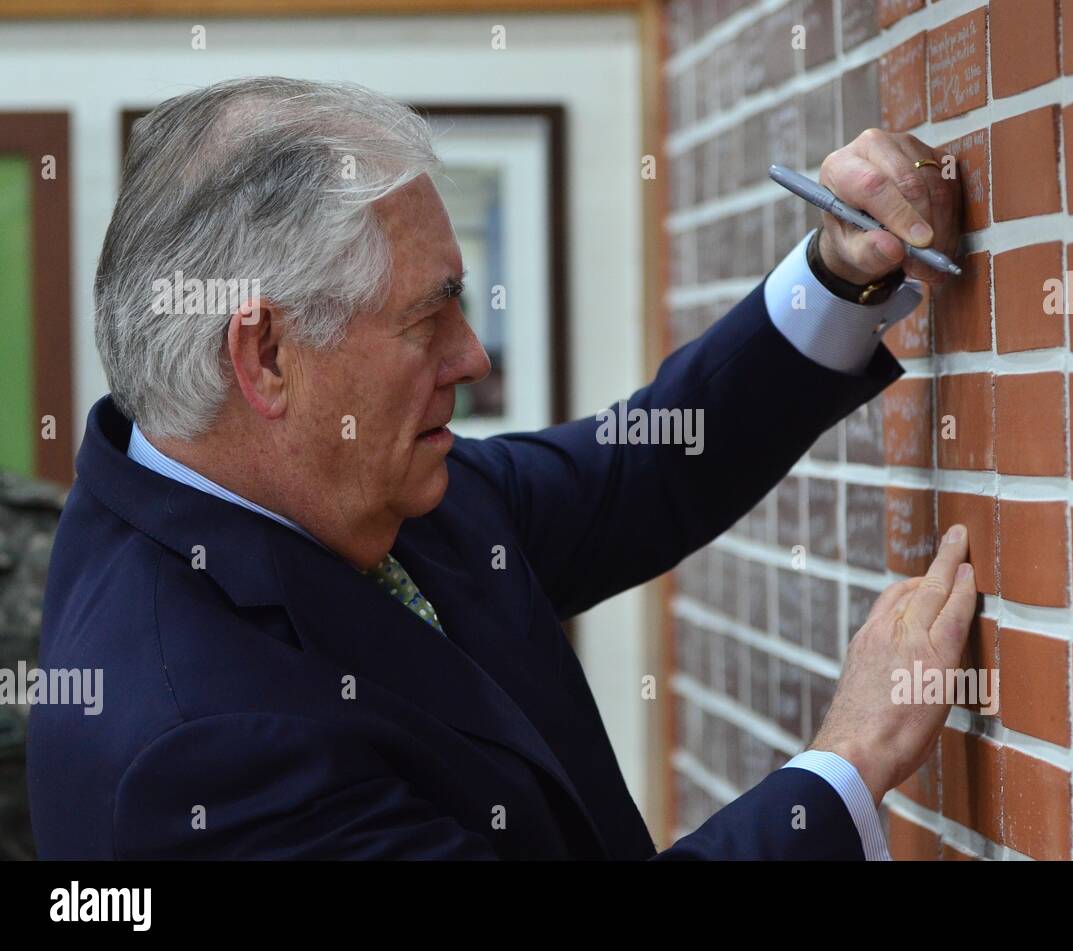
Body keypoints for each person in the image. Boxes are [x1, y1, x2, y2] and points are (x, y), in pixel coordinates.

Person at [28, 77, 973, 860]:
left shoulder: (337, 488)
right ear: (267, 354)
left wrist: (843, 269)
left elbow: (638, 474)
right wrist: (848, 760)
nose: (473, 357)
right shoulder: (197, 751)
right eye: (426, 317)